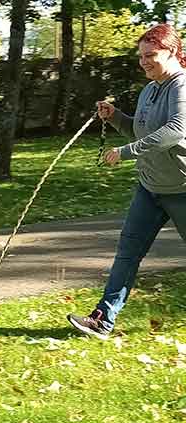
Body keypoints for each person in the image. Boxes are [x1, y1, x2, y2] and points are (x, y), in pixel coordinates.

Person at [67, 23, 186, 340]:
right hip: (151, 188)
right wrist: (116, 116)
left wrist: (127, 152)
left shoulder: (181, 86)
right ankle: (102, 320)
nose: (144, 61)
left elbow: (176, 130)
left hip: (183, 189)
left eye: (151, 55)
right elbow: (142, 131)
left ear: (172, 52)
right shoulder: (150, 89)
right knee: (128, 252)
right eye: (141, 56)